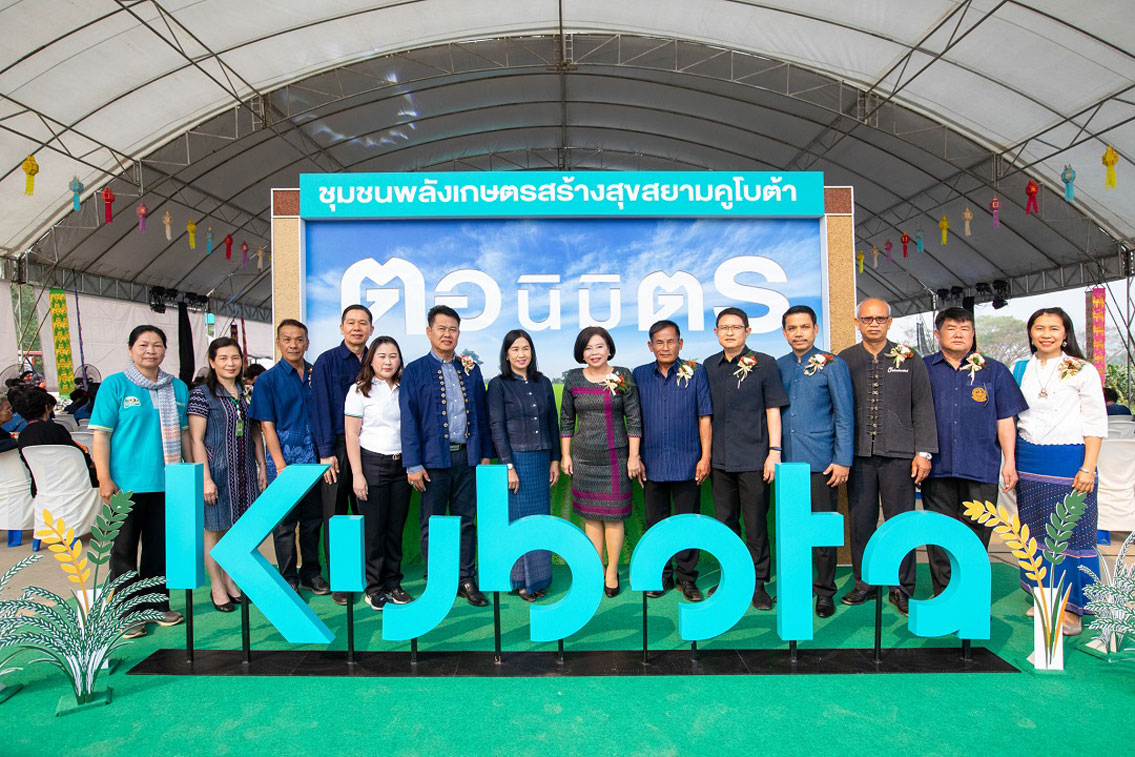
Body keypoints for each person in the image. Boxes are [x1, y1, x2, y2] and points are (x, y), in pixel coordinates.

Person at [838, 298, 937, 616]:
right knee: (861, 522)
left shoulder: (909, 357)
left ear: (890, 322)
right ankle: (864, 583)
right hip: (859, 455)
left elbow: (922, 406)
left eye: (880, 319)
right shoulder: (845, 359)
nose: (873, 324)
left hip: (899, 456)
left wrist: (923, 452)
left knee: (901, 522)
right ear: (857, 323)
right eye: (867, 319)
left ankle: (902, 587)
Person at [89, 325, 189, 637]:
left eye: (157, 345)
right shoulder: (115, 386)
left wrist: (190, 474)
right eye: (144, 345)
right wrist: (104, 478)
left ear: (165, 350)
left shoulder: (178, 388)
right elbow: (101, 437)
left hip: (167, 482)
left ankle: (157, 606)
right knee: (123, 551)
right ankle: (127, 611)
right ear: (131, 348)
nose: (151, 350)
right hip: (125, 485)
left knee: (160, 550)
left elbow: (184, 435)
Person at [1012, 307, 1107, 635]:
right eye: (1039, 328)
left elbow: (1095, 421)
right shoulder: (1020, 368)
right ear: (1031, 333)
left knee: (1068, 533)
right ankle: (1046, 599)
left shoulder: (1080, 369)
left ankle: (1073, 610)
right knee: (1035, 534)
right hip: (1028, 461)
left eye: (1054, 328)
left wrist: (1088, 468)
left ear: (1066, 333)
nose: (1046, 334)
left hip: (1069, 462)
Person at [922, 307, 1028, 597]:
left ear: (973, 334)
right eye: (951, 328)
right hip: (938, 467)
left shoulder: (994, 371)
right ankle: (943, 594)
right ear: (937, 334)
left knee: (977, 533)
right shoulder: (923, 369)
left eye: (965, 328)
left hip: (980, 466)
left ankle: (971, 593)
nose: (959, 334)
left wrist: (1010, 462)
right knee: (940, 532)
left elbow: (1006, 418)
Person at [400, 305, 493, 607]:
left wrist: (484, 455)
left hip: (467, 459)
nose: (447, 334)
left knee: (466, 520)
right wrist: (413, 464)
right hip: (431, 462)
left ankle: (466, 578)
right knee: (433, 522)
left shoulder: (471, 368)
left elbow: (480, 414)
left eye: (453, 329)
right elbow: (409, 420)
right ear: (429, 332)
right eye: (441, 328)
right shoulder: (415, 371)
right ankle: (438, 580)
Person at [704, 307, 787, 610]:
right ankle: (731, 578)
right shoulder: (709, 366)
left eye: (735, 327)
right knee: (725, 523)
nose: (729, 332)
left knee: (755, 524)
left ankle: (758, 583)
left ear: (747, 331)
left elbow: (773, 409)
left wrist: (774, 452)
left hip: (754, 458)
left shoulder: (764, 364)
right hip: (720, 460)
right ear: (716, 333)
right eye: (723, 327)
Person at [777, 305, 853, 618]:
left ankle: (825, 590)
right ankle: (798, 583)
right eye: (792, 328)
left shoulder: (833, 365)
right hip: (786, 464)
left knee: (820, 531)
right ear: (784, 332)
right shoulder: (778, 366)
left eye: (804, 327)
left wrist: (842, 459)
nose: (798, 333)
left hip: (821, 463)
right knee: (792, 531)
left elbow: (844, 414)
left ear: (815, 329)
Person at [631, 320, 711, 602]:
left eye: (671, 341)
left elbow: (704, 417)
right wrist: (636, 457)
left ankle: (687, 579)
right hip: (651, 463)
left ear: (681, 343)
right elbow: (633, 419)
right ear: (650, 346)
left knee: (687, 522)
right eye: (659, 343)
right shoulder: (638, 375)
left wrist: (705, 457)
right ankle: (659, 575)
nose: (666, 347)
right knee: (657, 523)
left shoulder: (695, 372)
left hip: (688, 461)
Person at [560, 326, 642, 597]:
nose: (594, 353)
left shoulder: (622, 376)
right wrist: (565, 454)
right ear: (581, 352)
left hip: (616, 457)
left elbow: (634, 419)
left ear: (609, 348)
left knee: (614, 518)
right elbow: (567, 420)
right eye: (588, 348)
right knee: (592, 517)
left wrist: (633, 456)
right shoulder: (573, 379)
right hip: (584, 457)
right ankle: (596, 568)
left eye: (599, 346)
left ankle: (612, 570)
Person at [248, 320, 327, 596]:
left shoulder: (318, 375)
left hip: (315, 462)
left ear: (307, 343)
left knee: (312, 520)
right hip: (283, 464)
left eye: (299, 339)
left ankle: (312, 573)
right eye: (287, 339)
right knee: (284, 525)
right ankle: (288, 576)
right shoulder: (267, 381)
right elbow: (266, 425)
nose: (294, 344)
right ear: (279, 343)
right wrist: (280, 464)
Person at [187, 338, 265, 613]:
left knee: (238, 530)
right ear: (212, 362)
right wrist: (205, 478)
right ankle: (217, 586)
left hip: (244, 471)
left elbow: (255, 431)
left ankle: (233, 581)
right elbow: (196, 439)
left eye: (235, 358)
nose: (230, 363)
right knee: (215, 529)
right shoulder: (202, 394)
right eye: (223, 358)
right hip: (216, 472)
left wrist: (262, 466)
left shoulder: (247, 392)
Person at [487, 329, 561, 601]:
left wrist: (555, 459)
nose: (521, 354)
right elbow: (497, 427)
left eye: (525, 348)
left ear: (532, 352)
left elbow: (551, 421)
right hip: (516, 461)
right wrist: (508, 466)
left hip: (541, 461)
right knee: (519, 521)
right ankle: (519, 580)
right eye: (515, 349)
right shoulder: (498, 385)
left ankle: (539, 579)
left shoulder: (542, 383)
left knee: (539, 520)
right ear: (507, 353)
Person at [311, 304, 375, 605]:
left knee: (367, 513)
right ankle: (340, 581)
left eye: (363, 323)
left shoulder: (377, 359)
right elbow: (320, 408)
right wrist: (325, 453)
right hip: (335, 448)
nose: (357, 328)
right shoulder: (327, 362)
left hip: (370, 447)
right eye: (351, 322)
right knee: (335, 515)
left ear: (371, 330)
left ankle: (368, 576)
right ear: (341, 328)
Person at [344, 336, 414, 611]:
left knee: (395, 528)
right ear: (371, 359)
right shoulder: (359, 390)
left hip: (402, 466)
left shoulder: (405, 387)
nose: (388, 361)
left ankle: (393, 583)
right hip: (371, 464)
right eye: (382, 356)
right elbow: (351, 434)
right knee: (374, 531)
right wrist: (357, 475)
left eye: (393, 356)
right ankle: (374, 588)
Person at [10, 385, 97, 493]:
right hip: (72, 486)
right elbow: (80, 456)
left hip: (41, 489)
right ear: (47, 407)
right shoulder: (56, 429)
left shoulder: (23, 435)